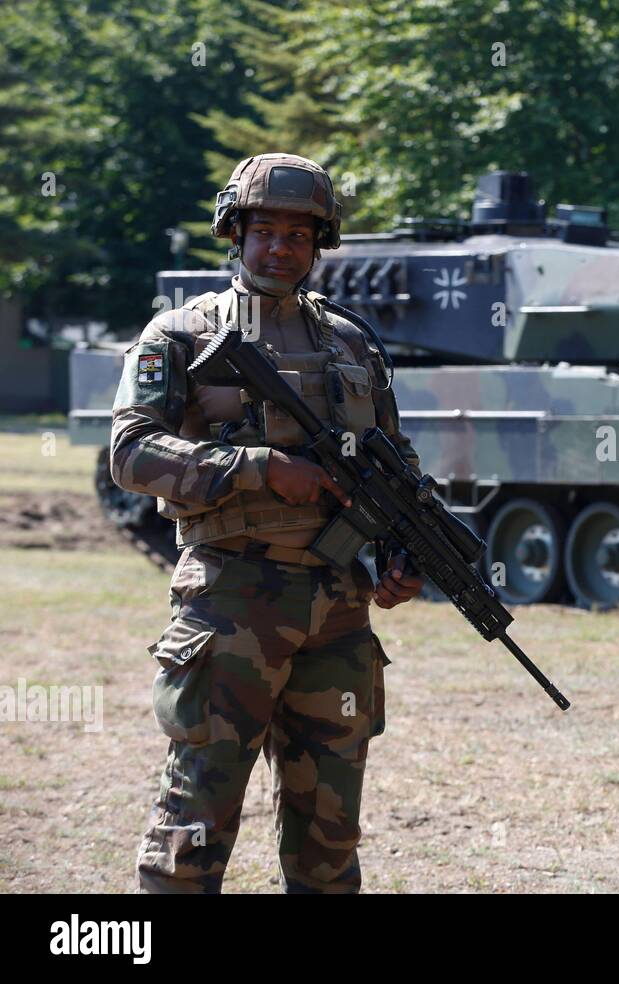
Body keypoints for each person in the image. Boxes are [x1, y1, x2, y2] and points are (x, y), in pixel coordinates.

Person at [112, 153, 426, 893]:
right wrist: (255, 469)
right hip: (229, 604)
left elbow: (395, 465)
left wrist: (401, 556)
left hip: (339, 614)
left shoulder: (352, 344)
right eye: (266, 231)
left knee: (330, 828)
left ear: (320, 245)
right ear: (235, 234)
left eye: (299, 233)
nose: (282, 247)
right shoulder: (181, 334)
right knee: (196, 818)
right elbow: (130, 455)